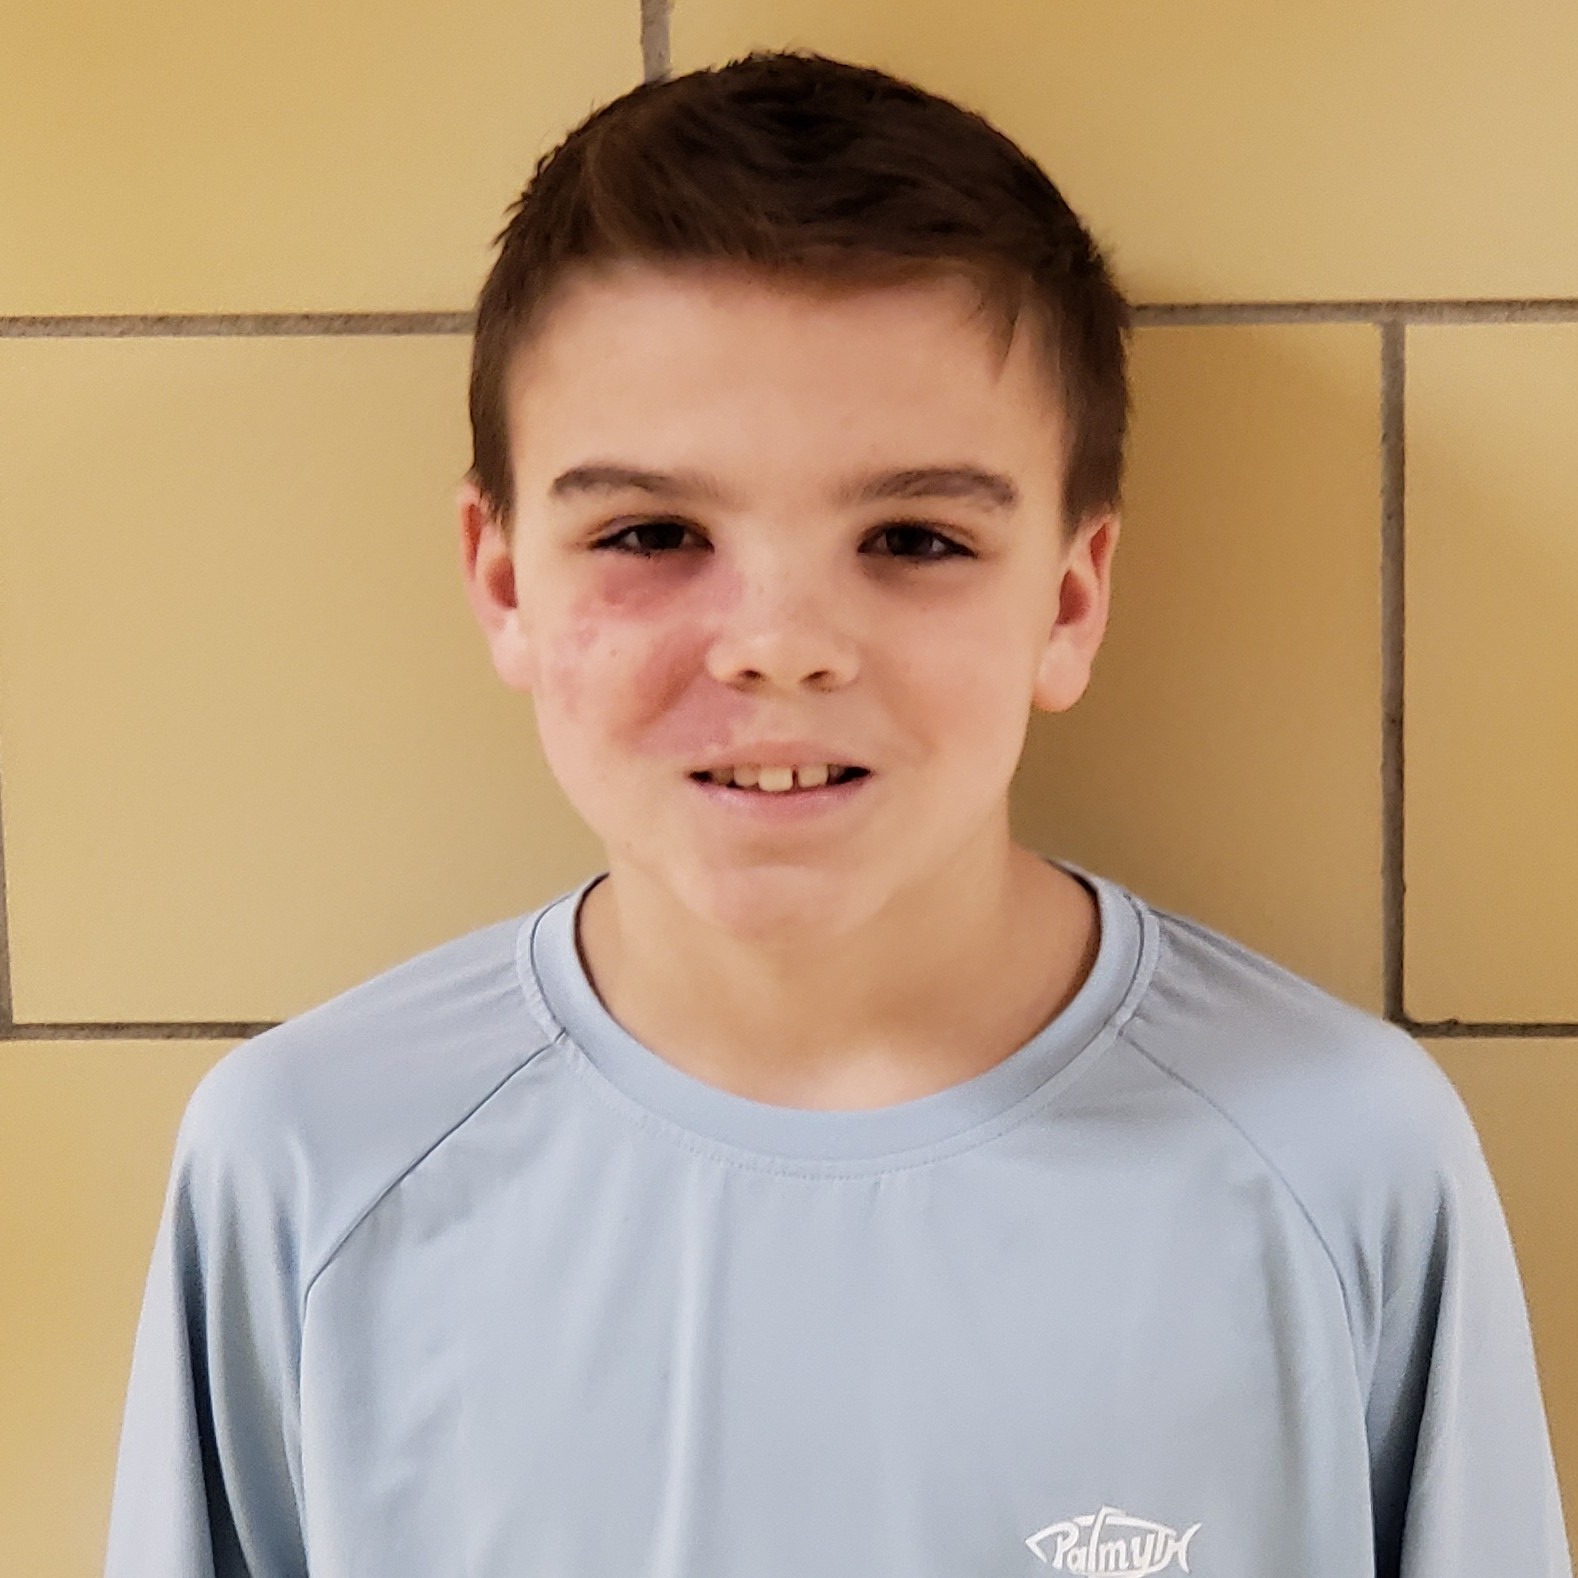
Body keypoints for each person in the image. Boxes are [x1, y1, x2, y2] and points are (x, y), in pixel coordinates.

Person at [104, 49, 1571, 1578]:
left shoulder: (1337, 1157)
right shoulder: (308, 1168)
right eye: (652, 530)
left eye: (915, 536)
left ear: (1067, 599)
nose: (782, 641)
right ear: (502, 580)